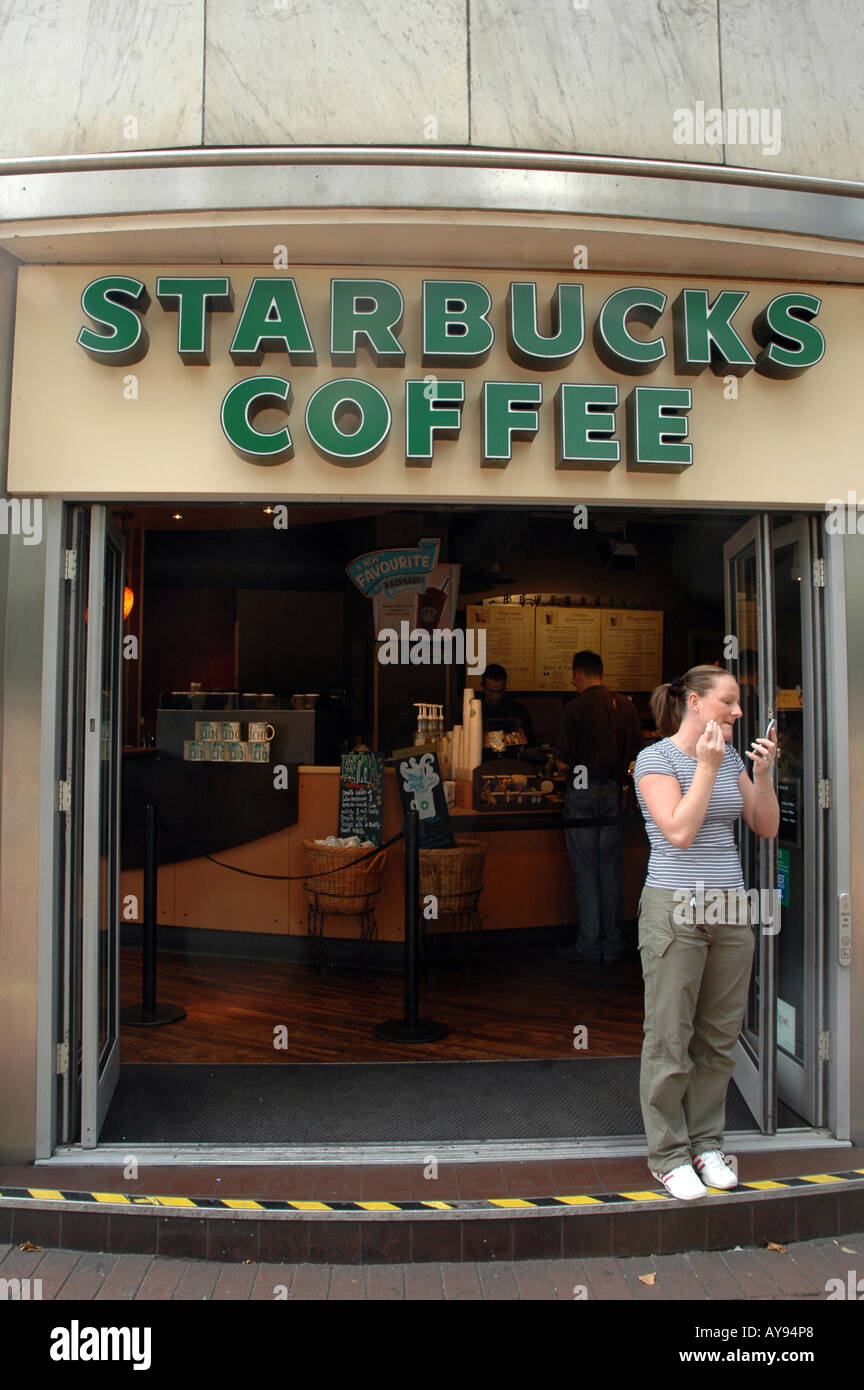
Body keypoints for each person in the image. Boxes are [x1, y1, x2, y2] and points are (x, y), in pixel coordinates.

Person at [633, 665, 779, 1201]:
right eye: (729, 702)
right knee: (671, 1036)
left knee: (719, 1036)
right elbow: (679, 830)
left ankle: (707, 1143)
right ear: (694, 702)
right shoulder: (656, 758)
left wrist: (760, 779)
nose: (738, 712)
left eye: (739, 704)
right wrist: (708, 769)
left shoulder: (730, 759)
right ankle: (668, 1154)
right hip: (675, 907)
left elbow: (765, 826)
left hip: (730, 905)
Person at [555, 651, 643, 964]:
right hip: (615, 795)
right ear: (600, 673)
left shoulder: (574, 708)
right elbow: (636, 757)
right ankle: (614, 945)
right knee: (610, 870)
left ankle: (590, 945)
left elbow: (564, 762)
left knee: (586, 873)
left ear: (578, 674)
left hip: (581, 795)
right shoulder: (626, 706)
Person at [477, 663, 538, 750]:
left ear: (505, 687)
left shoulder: (518, 710)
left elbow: (531, 744)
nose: (496, 696)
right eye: (491, 692)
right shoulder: (473, 712)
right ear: (482, 686)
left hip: (512, 761)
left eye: (500, 691)